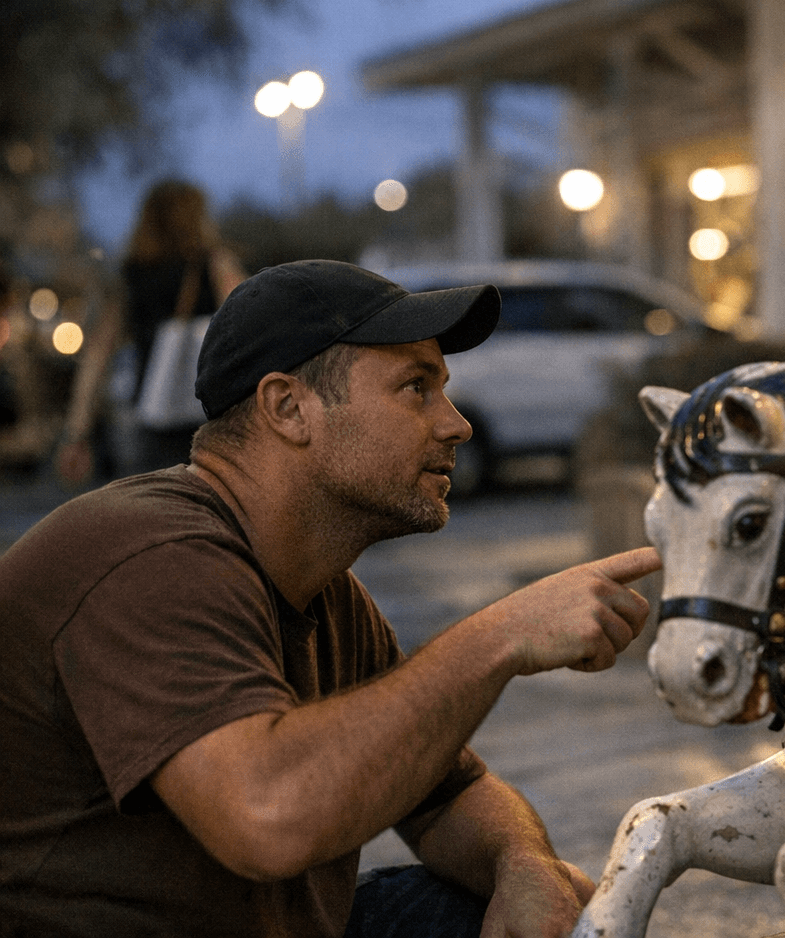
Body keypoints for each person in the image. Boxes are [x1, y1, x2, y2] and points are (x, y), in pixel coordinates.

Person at [0, 259, 657, 937]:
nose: (456, 424)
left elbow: (446, 794)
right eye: (415, 388)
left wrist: (523, 862)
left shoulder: (327, 594)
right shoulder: (147, 556)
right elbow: (267, 818)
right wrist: (500, 635)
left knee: (549, 900)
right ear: (288, 408)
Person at [56, 180, 245, 484]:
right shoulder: (214, 265)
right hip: (212, 416)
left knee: (155, 508)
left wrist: (76, 432)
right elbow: (249, 327)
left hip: (152, 414)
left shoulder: (130, 275)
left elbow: (98, 355)